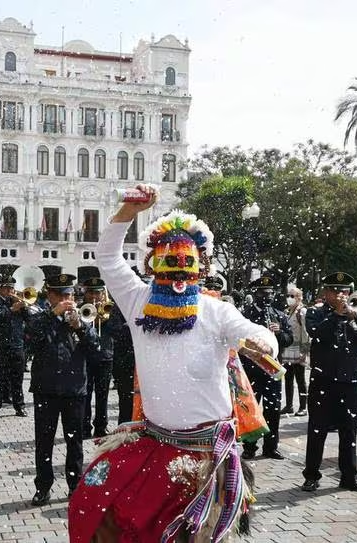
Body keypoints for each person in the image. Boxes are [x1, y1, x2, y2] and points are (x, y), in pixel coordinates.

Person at [68, 185, 278, 542]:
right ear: (152, 263)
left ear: (200, 266)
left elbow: (256, 332)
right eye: (169, 263)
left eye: (186, 264)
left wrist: (263, 342)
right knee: (97, 509)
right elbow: (108, 258)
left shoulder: (216, 311)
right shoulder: (137, 301)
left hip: (206, 454)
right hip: (154, 443)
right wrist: (126, 214)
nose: (178, 274)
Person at [301, 272, 357, 493]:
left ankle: (349, 476)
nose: (340, 295)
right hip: (323, 381)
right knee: (317, 429)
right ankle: (312, 475)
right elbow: (317, 333)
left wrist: (356, 316)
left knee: (349, 431)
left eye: (344, 291)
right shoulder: (316, 313)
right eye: (334, 291)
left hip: (350, 381)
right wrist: (336, 314)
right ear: (325, 293)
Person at [27, 274, 99, 506]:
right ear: (50, 296)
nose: (66, 299)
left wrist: (80, 327)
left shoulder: (83, 319)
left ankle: (75, 485)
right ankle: (43, 487)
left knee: (74, 441)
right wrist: (52, 314)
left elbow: (95, 348)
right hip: (46, 388)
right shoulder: (41, 316)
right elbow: (31, 339)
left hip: (74, 389)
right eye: (61, 295)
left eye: (69, 295)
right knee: (44, 441)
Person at [240, 277, 293, 460]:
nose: (268, 296)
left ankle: (271, 447)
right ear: (255, 293)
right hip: (251, 369)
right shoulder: (245, 315)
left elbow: (289, 339)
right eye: (263, 293)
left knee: (273, 409)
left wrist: (280, 333)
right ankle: (249, 446)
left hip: (272, 370)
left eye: (270, 293)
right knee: (251, 409)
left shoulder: (279, 314)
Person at [0, 275, 29, 419]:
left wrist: (24, 307)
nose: (10, 291)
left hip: (17, 345)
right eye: (7, 288)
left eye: (12, 288)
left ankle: (19, 406)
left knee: (17, 378)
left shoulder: (16, 301)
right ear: (0, 289)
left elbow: (30, 319)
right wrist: (11, 310)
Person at [80, 277, 114, 438]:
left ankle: (101, 426)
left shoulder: (110, 309)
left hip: (105, 357)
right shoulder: (80, 309)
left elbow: (117, 330)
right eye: (91, 292)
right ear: (85, 293)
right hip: (85, 356)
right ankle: (84, 426)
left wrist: (106, 318)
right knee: (85, 394)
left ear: (103, 294)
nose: (94, 296)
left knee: (103, 395)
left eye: (97, 293)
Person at [104, 302, 135, 425]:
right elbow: (113, 329)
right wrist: (135, 327)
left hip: (145, 363)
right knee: (126, 404)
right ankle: (124, 437)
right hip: (125, 363)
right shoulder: (120, 304)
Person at [282, 287, 310, 416]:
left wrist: (304, 351)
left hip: (298, 348)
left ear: (299, 298)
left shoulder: (302, 312)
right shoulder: (287, 311)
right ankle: (289, 405)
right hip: (287, 349)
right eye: (289, 295)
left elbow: (305, 332)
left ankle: (303, 406)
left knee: (300, 378)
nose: (290, 298)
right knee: (288, 378)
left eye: (293, 296)